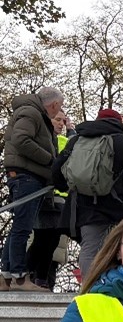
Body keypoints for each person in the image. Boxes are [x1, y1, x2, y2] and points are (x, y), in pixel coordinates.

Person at [56, 108, 123, 279]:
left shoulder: (77, 139)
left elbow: (58, 169)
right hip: (118, 206)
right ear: (119, 123)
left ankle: (88, 289)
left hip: (84, 206)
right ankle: (121, 287)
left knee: (90, 248)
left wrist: (62, 187)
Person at [3, 86, 64, 291]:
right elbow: (21, 140)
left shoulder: (32, 113)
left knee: (18, 226)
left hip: (28, 177)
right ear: (54, 104)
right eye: (59, 107)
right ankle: (20, 278)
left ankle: (6, 277)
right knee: (22, 227)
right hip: (26, 177)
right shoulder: (31, 113)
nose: (59, 112)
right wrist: (50, 161)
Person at [23, 109, 74, 291]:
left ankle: (38, 277)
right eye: (57, 119)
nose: (61, 123)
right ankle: (27, 274)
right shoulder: (47, 141)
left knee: (50, 240)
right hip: (47, 196)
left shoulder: (63, 140)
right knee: (43, 239)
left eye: (63, 120)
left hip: (60, 199)